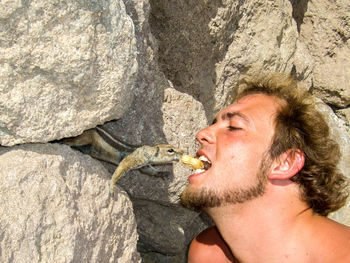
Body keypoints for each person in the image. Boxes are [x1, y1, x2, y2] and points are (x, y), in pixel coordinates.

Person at [180, 72, 350, 262]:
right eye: (214, 123)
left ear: (285, 163)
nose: (202, 133)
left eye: (234, 127)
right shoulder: (209, 254)